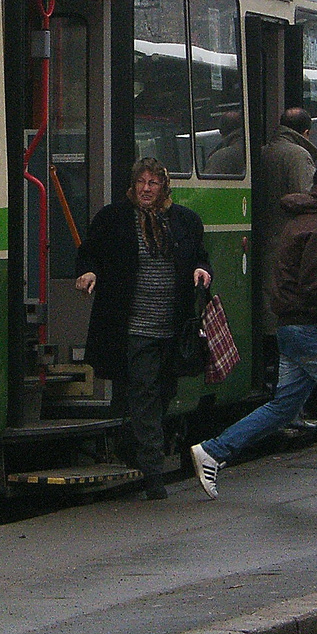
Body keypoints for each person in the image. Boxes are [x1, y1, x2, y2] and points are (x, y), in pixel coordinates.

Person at [190, 161, 317, 502]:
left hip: (290, 326)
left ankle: (213, 451)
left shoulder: (299, 221)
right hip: (314, 327)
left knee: (283, 406)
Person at [76, 158, 212, 500]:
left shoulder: (184, 221)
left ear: (163, 187)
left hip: (172, 326)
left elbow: (200, 255)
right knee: (145, 393)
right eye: (141, 182)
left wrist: (200, 270)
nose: (146, 189)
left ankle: (130, 442)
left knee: (163, 393)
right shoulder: (114, 219)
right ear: (133, 186)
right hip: (134, 326)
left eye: (153, 183)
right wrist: (89, 272)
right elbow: (89, 253)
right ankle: (154, 476)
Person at [259, 107, 317, 409]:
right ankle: (289, 406)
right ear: (306, 132)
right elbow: (307, 202)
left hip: (268, 247)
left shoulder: (264, 152)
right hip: (287, 252)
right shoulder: (299, 156)